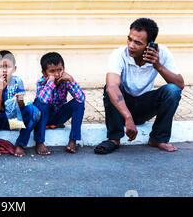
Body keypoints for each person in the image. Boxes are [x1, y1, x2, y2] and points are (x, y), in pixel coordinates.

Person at [94, 18, 184, 154]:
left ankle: (158, 139)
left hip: (145, 105)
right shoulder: (119, 54)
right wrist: (128, 118)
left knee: (172, 90)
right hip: (122, 108)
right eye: (129, 39)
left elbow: (180, 84)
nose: (131, 45)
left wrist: (158, 66)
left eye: (137, 43)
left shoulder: (162, 53)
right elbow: (112, 87)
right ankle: (114, 139)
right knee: (111, 88)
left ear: (150, 44)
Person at [0, 50, 41, 157]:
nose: (4, 70)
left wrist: (19, 101)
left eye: (7, 66)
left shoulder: (18, 81)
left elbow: (22, 105)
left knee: (34, 111)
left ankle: (20, 144)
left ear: (14, 69)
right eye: (0, 67)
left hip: (14, 120)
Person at [33, 52, 86, 154]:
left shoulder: (65, 80)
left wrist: (71, 80)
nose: (57, 74)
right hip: (43, 118)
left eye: (60, 70)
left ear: (63, 69)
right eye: (52, 71)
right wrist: (50, 83)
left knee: (78, 103)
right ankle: (39, 142)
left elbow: (81, 98)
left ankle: (73, 140)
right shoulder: (41, 82)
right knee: (40, 103)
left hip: (58, 116)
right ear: (44, 73)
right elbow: (43, 101)